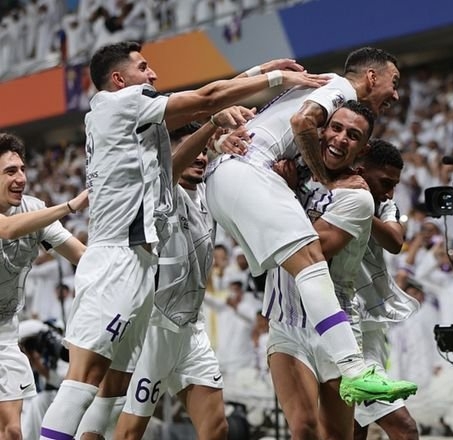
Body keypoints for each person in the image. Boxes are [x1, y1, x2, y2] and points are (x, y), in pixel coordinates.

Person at [39, 40, 328, 440]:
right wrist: (277, 78)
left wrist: (255, 71)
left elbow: (203, 103)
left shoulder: (130, 118)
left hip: (139, 269)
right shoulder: (121, 103)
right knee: (84, 382)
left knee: (110, 390)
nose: (153, 74)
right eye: (143, 67)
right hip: (117, 259)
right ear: (119, 79)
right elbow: (206, 99)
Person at [207, 47, 413, 404]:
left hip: (230, 176)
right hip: (245, 172)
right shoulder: (341, 90)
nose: (395, 94)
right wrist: (326, 179)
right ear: (371, 77)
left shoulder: (321, 89)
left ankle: (353, 370)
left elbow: (222, 104)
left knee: (305, 262)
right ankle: (355, 369)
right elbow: (301, 122)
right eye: (393, 82)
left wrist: (221, 133)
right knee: (311, 260)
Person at [265, 101, 391, 439]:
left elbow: (311, 250)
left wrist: (286, 192)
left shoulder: (358, 198)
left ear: (362, 149)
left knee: (339, 435)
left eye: (353, 135)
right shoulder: (294, 166)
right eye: (336, 128)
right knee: (304, 427)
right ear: (321, 130)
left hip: (337, 327)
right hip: (287, 323)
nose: (340, 139)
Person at [110, 122, 230, 440]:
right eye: (193, 149)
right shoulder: (161, 189)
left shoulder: (209, 192)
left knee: (217, 427)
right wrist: (212, 123)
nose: (200, 157)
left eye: (203, 151)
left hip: (191, 329)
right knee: (130, 431)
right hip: (155, 327)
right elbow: (169, 168)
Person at [0, 133, 87, 440]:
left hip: (4, 330)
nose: (21, 178)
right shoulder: (35, 216)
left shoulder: (34, 209)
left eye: (22, 169)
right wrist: (70, 206)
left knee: (13, 430)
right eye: (10, 171)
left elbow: (81, 256)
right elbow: (7, 229)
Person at [352, 139, 420, 440]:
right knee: (405, 428)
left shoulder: (383, 204)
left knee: (355, 430)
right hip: (342, 330)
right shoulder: (328, 195)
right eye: (385, 182)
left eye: (394, 185)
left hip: (371, 331)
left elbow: (394, 241)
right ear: (361, 169)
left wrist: (359, 208)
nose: (390, 192)